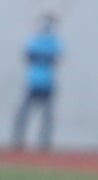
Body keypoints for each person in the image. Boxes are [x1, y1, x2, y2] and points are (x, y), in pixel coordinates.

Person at [12, 13, 61, 149]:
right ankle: (19, 139)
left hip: (46, 83)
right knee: (25, 113)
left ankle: (43, 142)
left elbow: (57, 58)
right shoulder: (37, 40)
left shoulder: (52, 41)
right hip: (34, 82)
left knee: (46, 116)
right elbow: (27, 55)